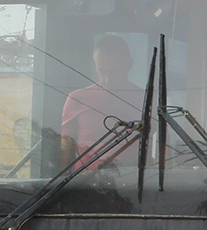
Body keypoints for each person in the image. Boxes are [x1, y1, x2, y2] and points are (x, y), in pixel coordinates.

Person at [60, 34, 146, 165]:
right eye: (102, 71)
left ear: (129, 64)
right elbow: (66, 148)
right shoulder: (77, 99)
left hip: (132, 180)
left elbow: (161, 144)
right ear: (95, 66)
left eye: (114, 71)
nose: (108, 79)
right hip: (85, 181)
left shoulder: (146, 100)